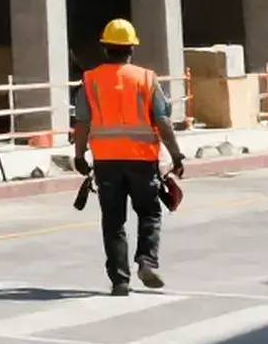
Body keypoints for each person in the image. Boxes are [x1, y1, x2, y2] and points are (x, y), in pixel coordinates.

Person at [73, 18, 187, 296]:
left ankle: (119, 281)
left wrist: (78, 155)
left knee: (113, 221)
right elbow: (162, 120)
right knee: (149, 213)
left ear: (105, 48)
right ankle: (146, 261)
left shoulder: (91, 80)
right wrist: (176, 153)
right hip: (141, 160)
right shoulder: (146, 78)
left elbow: (81, 123)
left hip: (106, 162)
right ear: (131, 49)